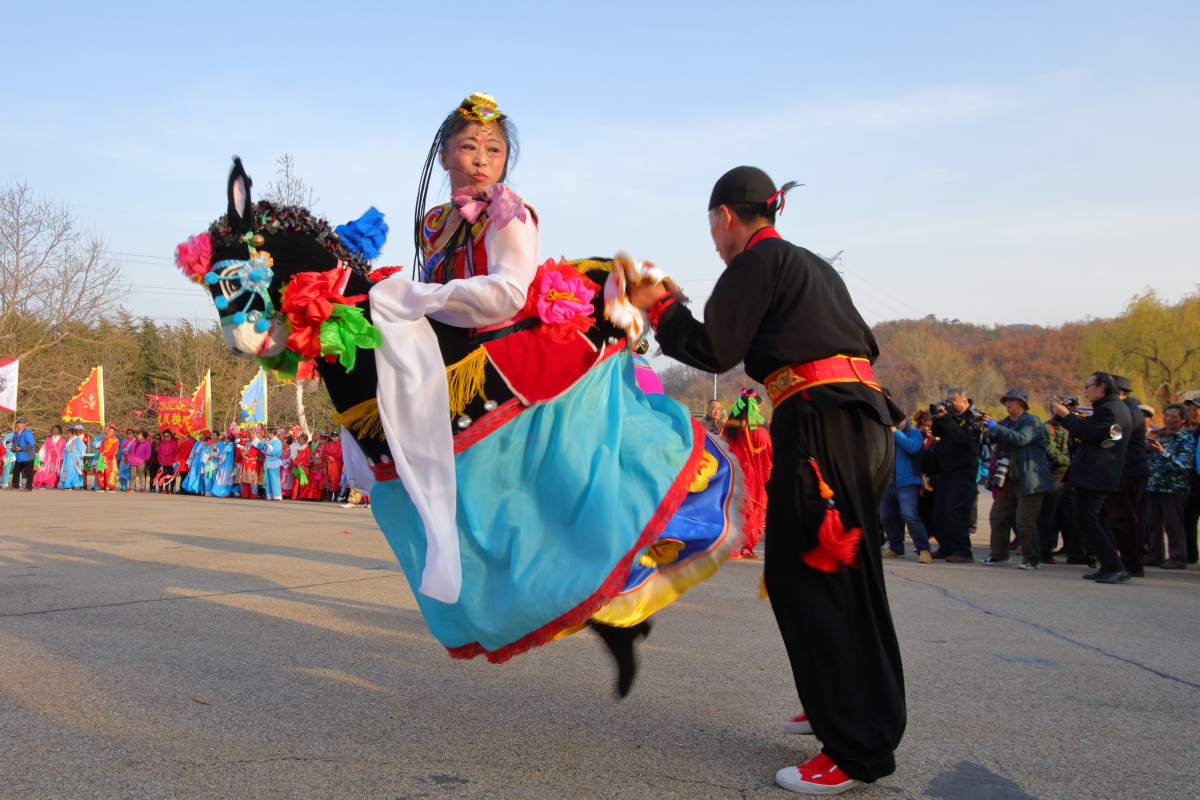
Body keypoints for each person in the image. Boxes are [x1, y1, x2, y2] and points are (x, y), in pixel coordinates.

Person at [631, 165, 904, 794]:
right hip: (859, 421)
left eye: (712, 226)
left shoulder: (756, 260)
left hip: (822, 425)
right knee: (841, 577)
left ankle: (856, 747)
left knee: (811, 577)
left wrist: (662, 306)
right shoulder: (811, 265)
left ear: (725, 215)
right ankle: (839, 698)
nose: (714, 240)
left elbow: (714, 349)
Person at [1051, 372, 1132, 584]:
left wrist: (1066, 416)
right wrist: (1067, 416)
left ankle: (1115, 567)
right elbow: (1090, 429)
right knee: (1099, 521)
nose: (1085, 390)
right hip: (1100, 474)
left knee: (1085, 521)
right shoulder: (1112, 407)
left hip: (1096, 474)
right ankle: (1109, 566)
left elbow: (1088, 434)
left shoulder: (1109, 409)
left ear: (1102, 387)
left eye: (1089, 386)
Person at [980, 389, 1052, 569]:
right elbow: (989, 439)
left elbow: (1021, 439)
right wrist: (980, 428)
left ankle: (1032, 560)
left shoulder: (1032, 421)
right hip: (1008, 479)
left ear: (1022, 403)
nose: (1007, 403)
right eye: (1006, 400)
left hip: (1030, 480)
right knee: (997, 517)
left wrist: (994, 427)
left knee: (1024, 522)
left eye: (1012, 400)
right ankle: (999, 555)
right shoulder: (1004, 423)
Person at [930, 388, 985, 563]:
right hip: (945, 473)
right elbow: (937, 432)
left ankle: (963, 551)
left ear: (965, 402)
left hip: (963, 474)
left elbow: (963, 438)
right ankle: (946, 548)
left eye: (953, 402)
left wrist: (947, 418)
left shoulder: (974, 418)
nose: (950, 406)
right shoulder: (950, 418)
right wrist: (938, 417)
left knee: (954, 513)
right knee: (939, 513)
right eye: (948, 402)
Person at [1143, 403, 1195, 569]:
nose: (1168, 419)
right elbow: (1144, 457)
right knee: (1152, 524)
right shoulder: (1159, 434)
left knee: (1173, 524)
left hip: (1173, 488)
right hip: (1153, 485)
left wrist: (1162, 452)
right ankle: (1154, 556)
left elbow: (1184, 464)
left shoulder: (1186, 438)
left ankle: (1177, 558)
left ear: (1182, 420)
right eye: (1166, 415)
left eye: (1173, 416)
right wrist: (1148, 440)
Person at [722, 388, 773, 559]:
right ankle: (740, 546)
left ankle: (739, 546)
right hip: (749, 474)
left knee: (733, 506)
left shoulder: (729, 427)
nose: (759, 409)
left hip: (731, 471)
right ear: (752, 408)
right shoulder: (757, 430)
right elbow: (768, 453)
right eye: (758, 407)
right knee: (749, 507)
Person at [1109, 375, 1150, 576]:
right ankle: (1127, 562)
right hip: (1125, 470)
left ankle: (1132, 564)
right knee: (1121, 518)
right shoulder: (1125, 409)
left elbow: (1113, 439)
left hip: (1131, 470)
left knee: (1126, 518)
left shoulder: (1129, 412)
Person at [881, 411, 931, 562]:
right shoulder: (885, 433)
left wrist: (896, 433)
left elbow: (913, 448)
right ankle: (896, 548)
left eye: (897, 420)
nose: (894, 423)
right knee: (885, 517)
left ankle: (924, 549)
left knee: (909, 516)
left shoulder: (914, 433)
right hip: (887, 482)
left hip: (907, 482)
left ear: (905, 420)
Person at [1036, 411, 1073, 564]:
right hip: (1053, 476)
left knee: (1069, 516)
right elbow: (1051, 452)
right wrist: (1073, 462)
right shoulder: (1047, 428)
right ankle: (1044, 552)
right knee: (1047, 516)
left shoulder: (1072, 426)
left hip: (1069, 476)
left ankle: (1074, 551)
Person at [9, 417, 36, 491]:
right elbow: (15, 443)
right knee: (16, 470)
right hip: (19, 456)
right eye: (18, 423)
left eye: (21, 424)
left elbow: (30, 444)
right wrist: (13, 448)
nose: (19, 425)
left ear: (24, 425)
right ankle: (15, 485)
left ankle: (29, 487)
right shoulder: (16, 433)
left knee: (29, 472)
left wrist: (21, 448)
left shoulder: (27, 433)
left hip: (27, 456)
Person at [95, 425, 121, 492]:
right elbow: (101, 447)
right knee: (101, 472)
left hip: (110, 459)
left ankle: (110, 486)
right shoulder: (105, 439)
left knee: (109, 472)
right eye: (108, 431)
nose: (108, 432)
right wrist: (101, 454)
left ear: (113, 432)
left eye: (109, 431)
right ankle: (101, 486)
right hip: (102, 458)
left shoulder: (115, 440)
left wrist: (106, 456)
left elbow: (113, 450)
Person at [323, 430, 344, 503]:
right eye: (334, 436)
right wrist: (329, 457)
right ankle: (329, 496)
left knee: (336, 479)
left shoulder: (340, 444)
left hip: (336, 463)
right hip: (329, 462)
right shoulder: (327, 444)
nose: (335, 438)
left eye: (337, 436)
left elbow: (339, 454)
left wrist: (333, 458)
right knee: (329, 478)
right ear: (331, 437)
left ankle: (335, 496)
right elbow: (324, 452)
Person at [289, 432, 311, 500]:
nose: (299, 439)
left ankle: (302, 496)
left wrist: (301, 463)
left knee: (302, 483)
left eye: (301, 438)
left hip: (303, 467)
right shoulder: (294, 446)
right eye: (299, 437)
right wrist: (294, 461)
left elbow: (307, 458)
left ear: (305, 440)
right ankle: (294, 496)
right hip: (296, 466)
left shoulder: (307, 448)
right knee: (295, 482)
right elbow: (292, 456)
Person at [263, 429, 283, 500]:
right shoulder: (269, 440)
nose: (267, 434)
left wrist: (268, 445)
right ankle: (269, 495)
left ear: (271, 433)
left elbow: (275, 451)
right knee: (267, 479)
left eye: (268, 433)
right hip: (267, 460)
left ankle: (277, 495)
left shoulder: (277, 441)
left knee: (274, 479)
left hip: (274, 460)